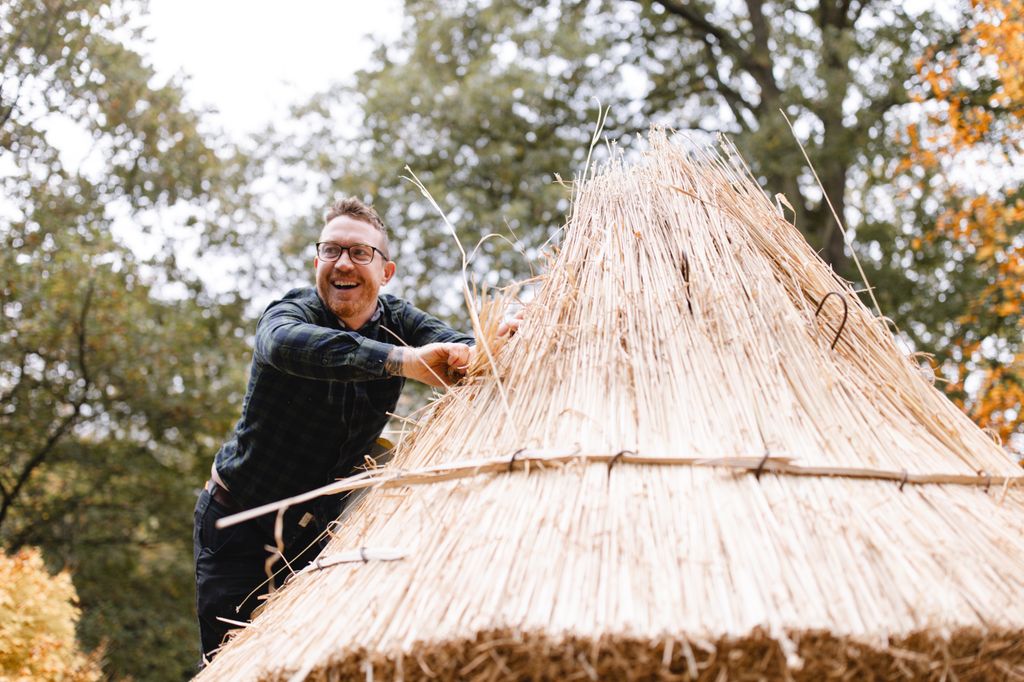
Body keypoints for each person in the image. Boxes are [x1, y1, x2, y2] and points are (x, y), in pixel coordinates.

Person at [193, 197, 505, 663]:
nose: (344, 263)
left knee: (312, 665)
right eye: (331, 250)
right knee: (231, 666)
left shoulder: (399, 320)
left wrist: (494, 341)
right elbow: (284, 345)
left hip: (319, 535)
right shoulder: (290, 315)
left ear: (386, 271)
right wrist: (402, 362)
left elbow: (459, 345)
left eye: (360, 253)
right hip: (239, 527)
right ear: (317, 260)